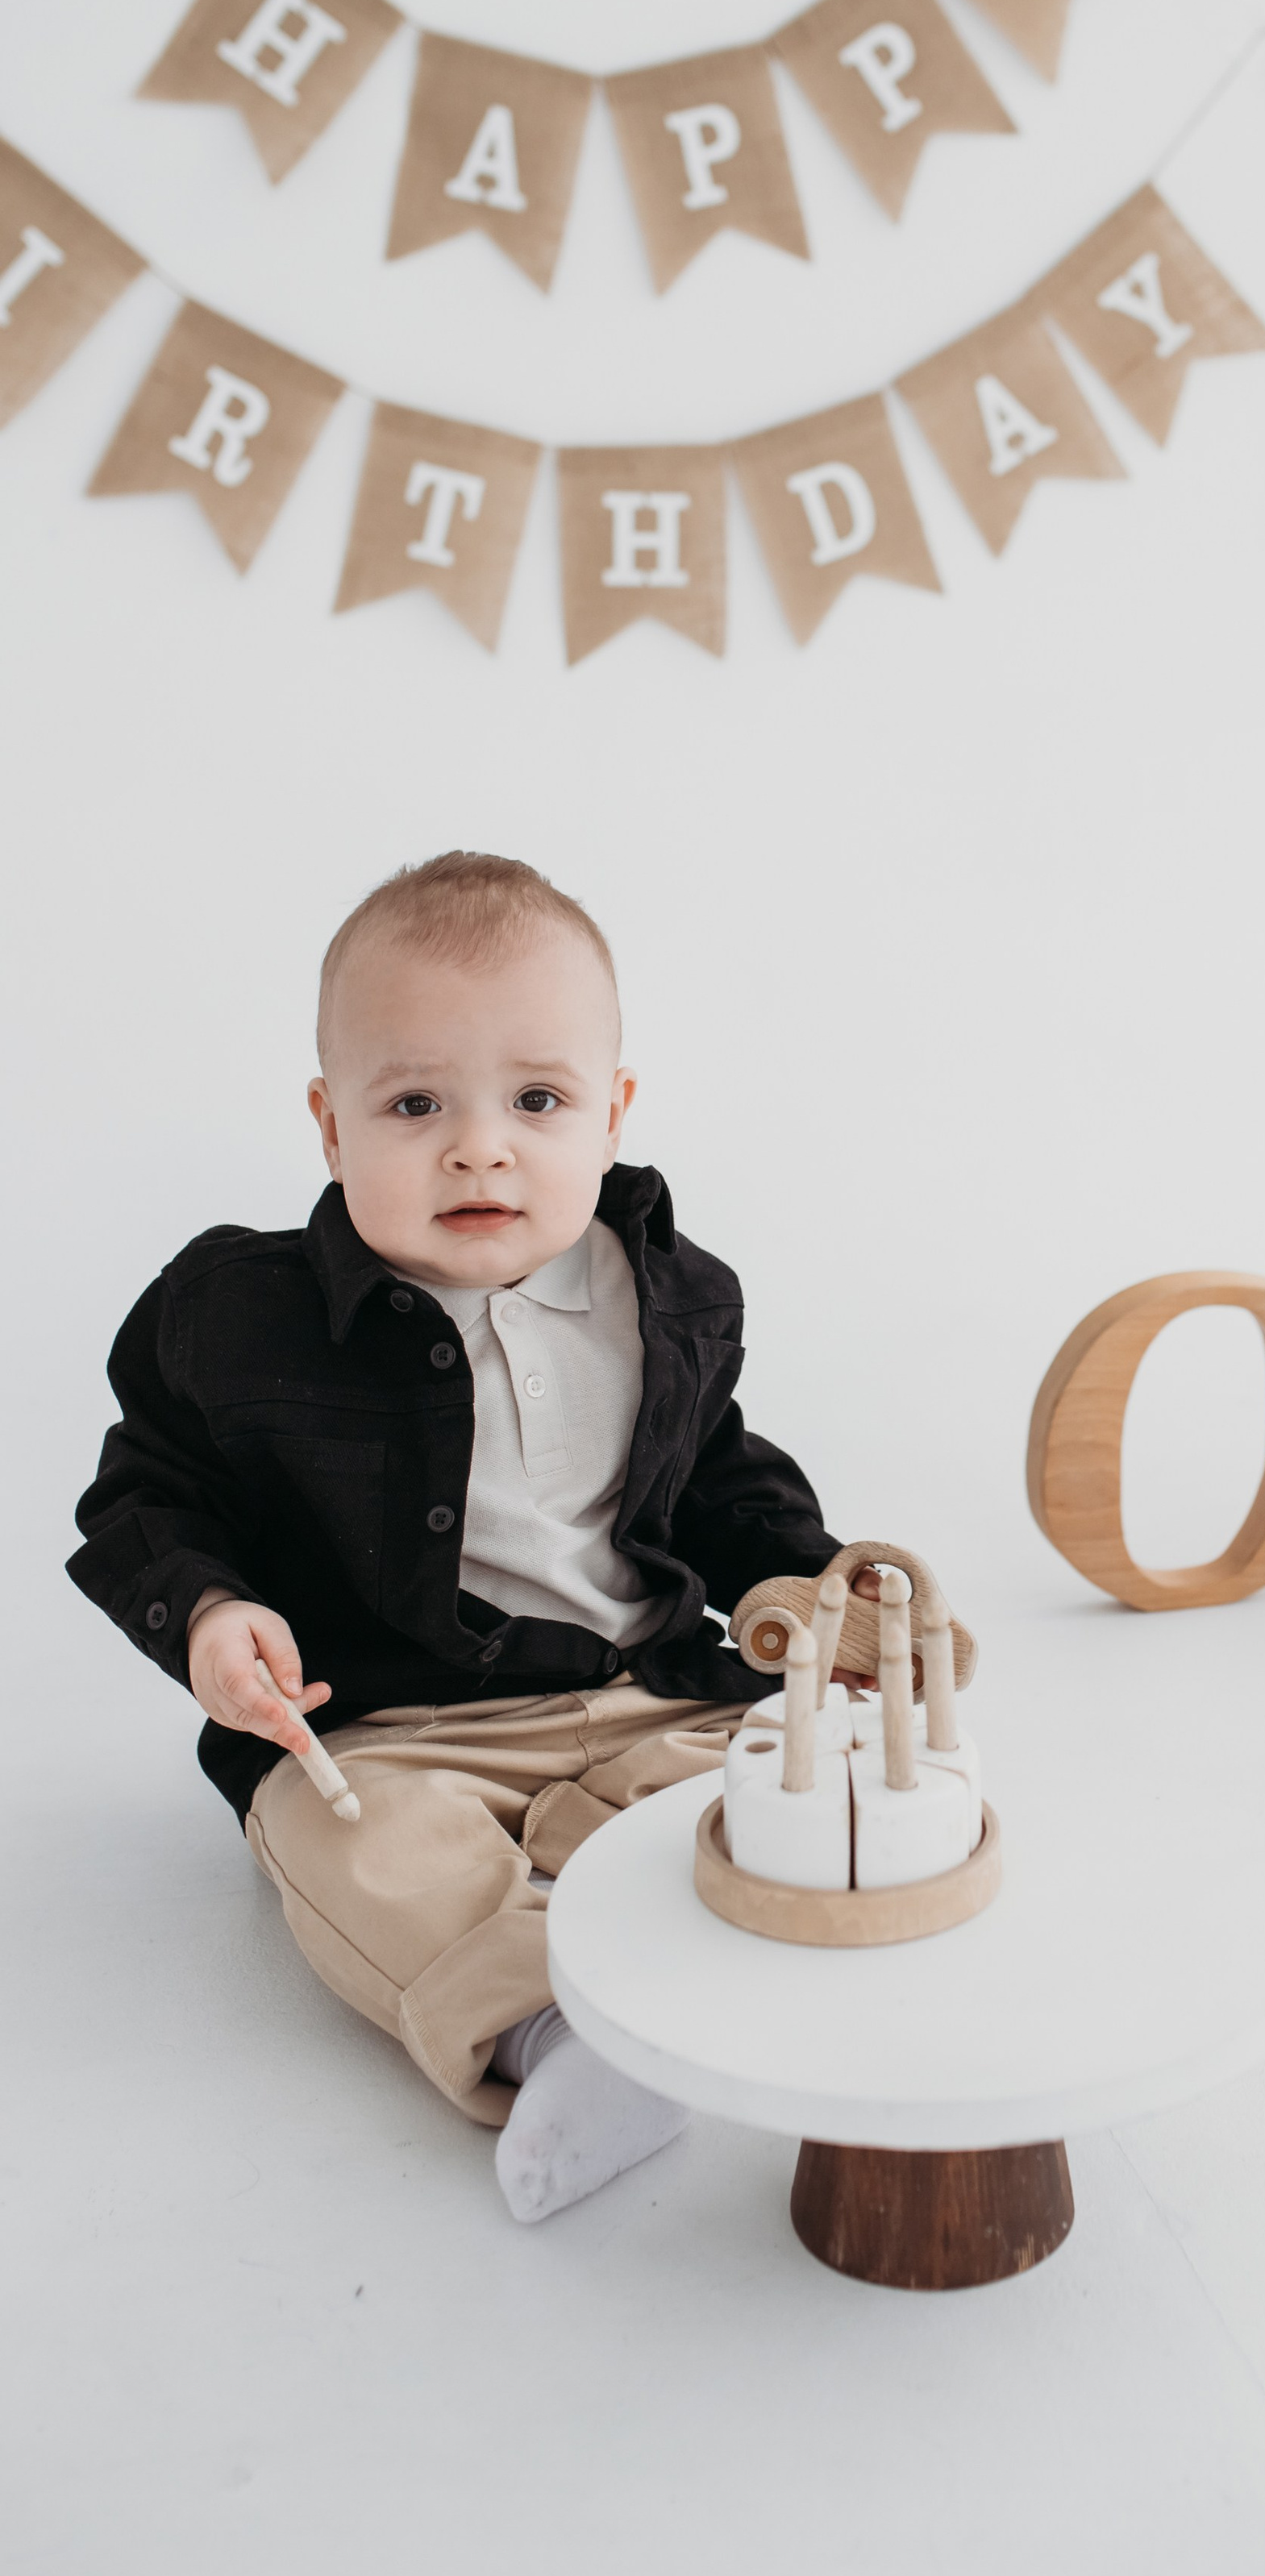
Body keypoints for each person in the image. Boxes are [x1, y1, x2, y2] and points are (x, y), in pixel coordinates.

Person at [69, 850, 871, 2222]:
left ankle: (729, 1927)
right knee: (367, 1852)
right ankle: (555, 2031)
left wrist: (802, 1581)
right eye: (415, 1101)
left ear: (614, 1113)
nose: (479, 1144)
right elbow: (146, 1493)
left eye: (538, 1099)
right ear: (330, 1127)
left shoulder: (666, 1294)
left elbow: (717, 1471)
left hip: (643, 1693)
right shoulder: (241, 1318)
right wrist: (206, 1613)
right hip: (388, 1726)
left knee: (819, 1767)